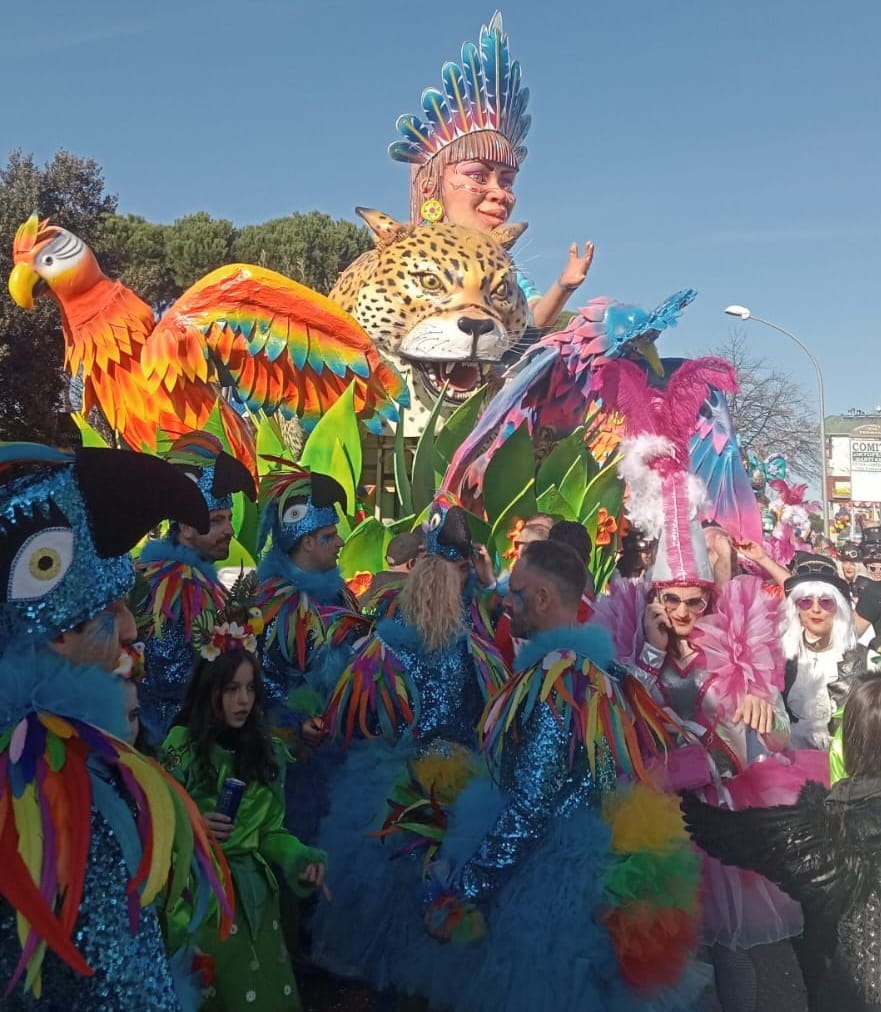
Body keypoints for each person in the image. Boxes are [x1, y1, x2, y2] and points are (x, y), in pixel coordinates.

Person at [392, 539, 702, 1012]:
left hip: (547, 888)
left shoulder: (561, 681)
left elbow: (532, 804)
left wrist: (464, 889)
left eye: (514, 592)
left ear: (541, 598)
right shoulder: (601, 669)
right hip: (584, 872)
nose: (505, 601)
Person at [0, 442, 230, 1009]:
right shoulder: (62, 791)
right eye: (110, 609)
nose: (130, 628)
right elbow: (123, 988)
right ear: (60, 633)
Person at [309, 494, 508, 990]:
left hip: (422, 786)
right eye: (462, 570)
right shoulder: (427, 640)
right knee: (416, 900)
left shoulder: (420, 635)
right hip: (419, 789)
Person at [682, 676, 881, 1011]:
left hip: (850, 993)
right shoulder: (829, 820)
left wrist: (689, 805)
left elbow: (748, 836)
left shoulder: (827, 825)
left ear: (849, 740)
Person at [161, 624, 328, 1012]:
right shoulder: (180, 748)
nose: (243, 700)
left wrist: (299, 858)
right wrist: (191, 824)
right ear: (210, 691)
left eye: (251, 689)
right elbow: (156, 821)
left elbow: (269, 831)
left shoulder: (266, 751)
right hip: (202, 901)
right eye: (232, 689)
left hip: (256, 902)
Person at [389, 12, 592, 328]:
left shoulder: (504, 268)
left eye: (507, 182)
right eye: (478, 176)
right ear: (429, 186)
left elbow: (531, 322)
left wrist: (564, 286)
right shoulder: (400, 256)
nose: (500, 194)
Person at [136, 430, 256, 744]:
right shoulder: (176, 586)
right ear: (187, 527)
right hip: (175, 746)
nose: (230, 530)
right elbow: (172, 679)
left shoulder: (192, 580)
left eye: (229, 518)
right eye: (217, 521)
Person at [781, 553, 858, 751]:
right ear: (796, 608)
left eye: (826, 601)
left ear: (838, 608)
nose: (815, 609)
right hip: (790, 762)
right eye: (806, 601)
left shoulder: (864, 661)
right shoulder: (779, 659)